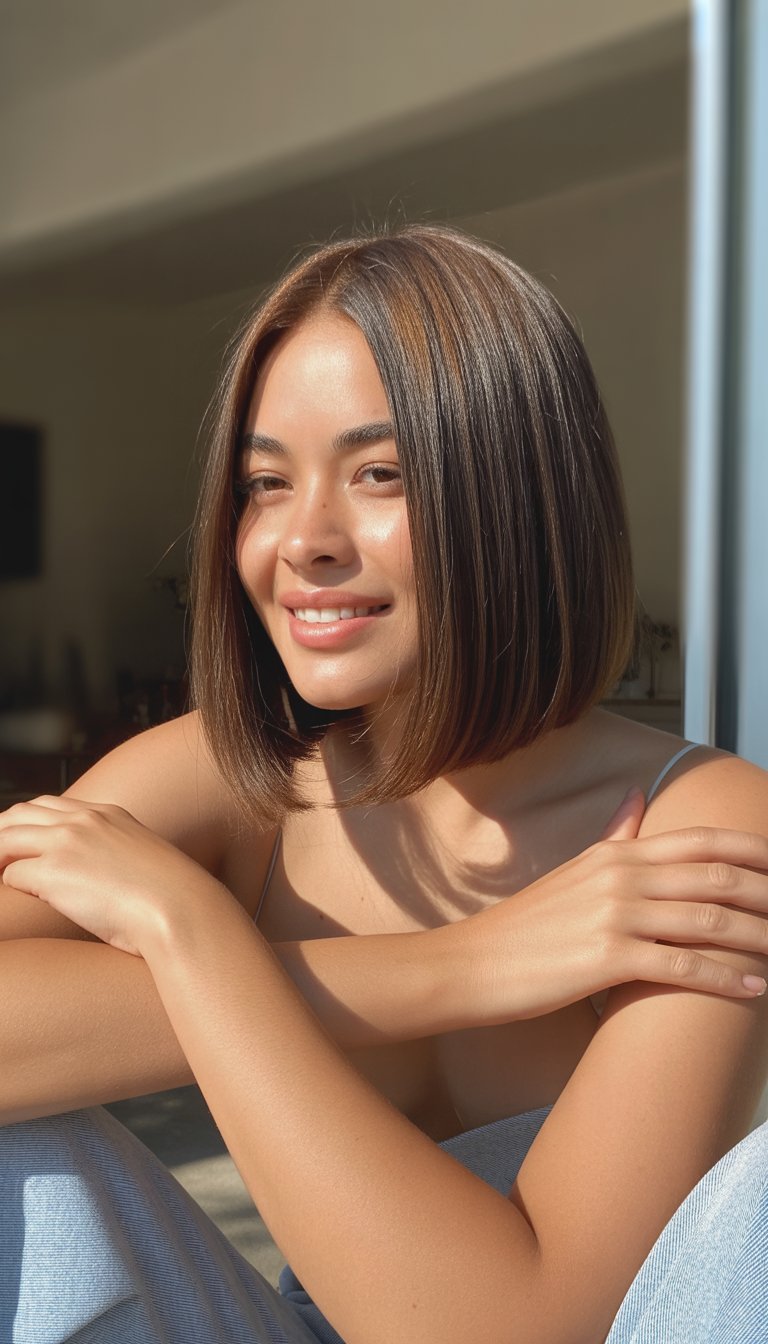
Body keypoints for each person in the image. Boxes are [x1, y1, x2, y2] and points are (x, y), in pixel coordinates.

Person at [1, 223, 768, 1344]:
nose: (301, 538)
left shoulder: (701, 829)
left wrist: (194, 939)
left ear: (519, 498)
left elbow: (514, 1327)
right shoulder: (236, 782)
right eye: (265, 483)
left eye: (380, 474)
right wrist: (456, 967)